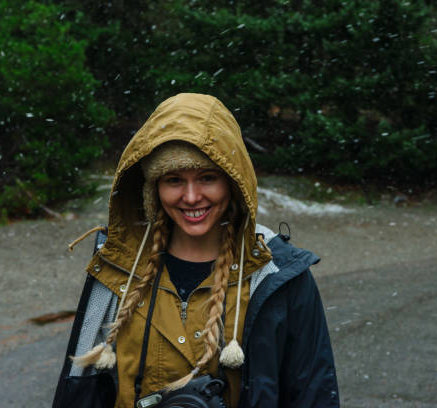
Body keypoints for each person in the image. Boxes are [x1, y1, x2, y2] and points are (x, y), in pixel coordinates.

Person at [52, 93, 339, 408]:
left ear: (233, 182)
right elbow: (78, 393)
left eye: (207, 178)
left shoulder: (278, 277)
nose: (191, 197)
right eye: (174, 179)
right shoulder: (116, 269)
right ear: (153, 189)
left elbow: (314, 396)